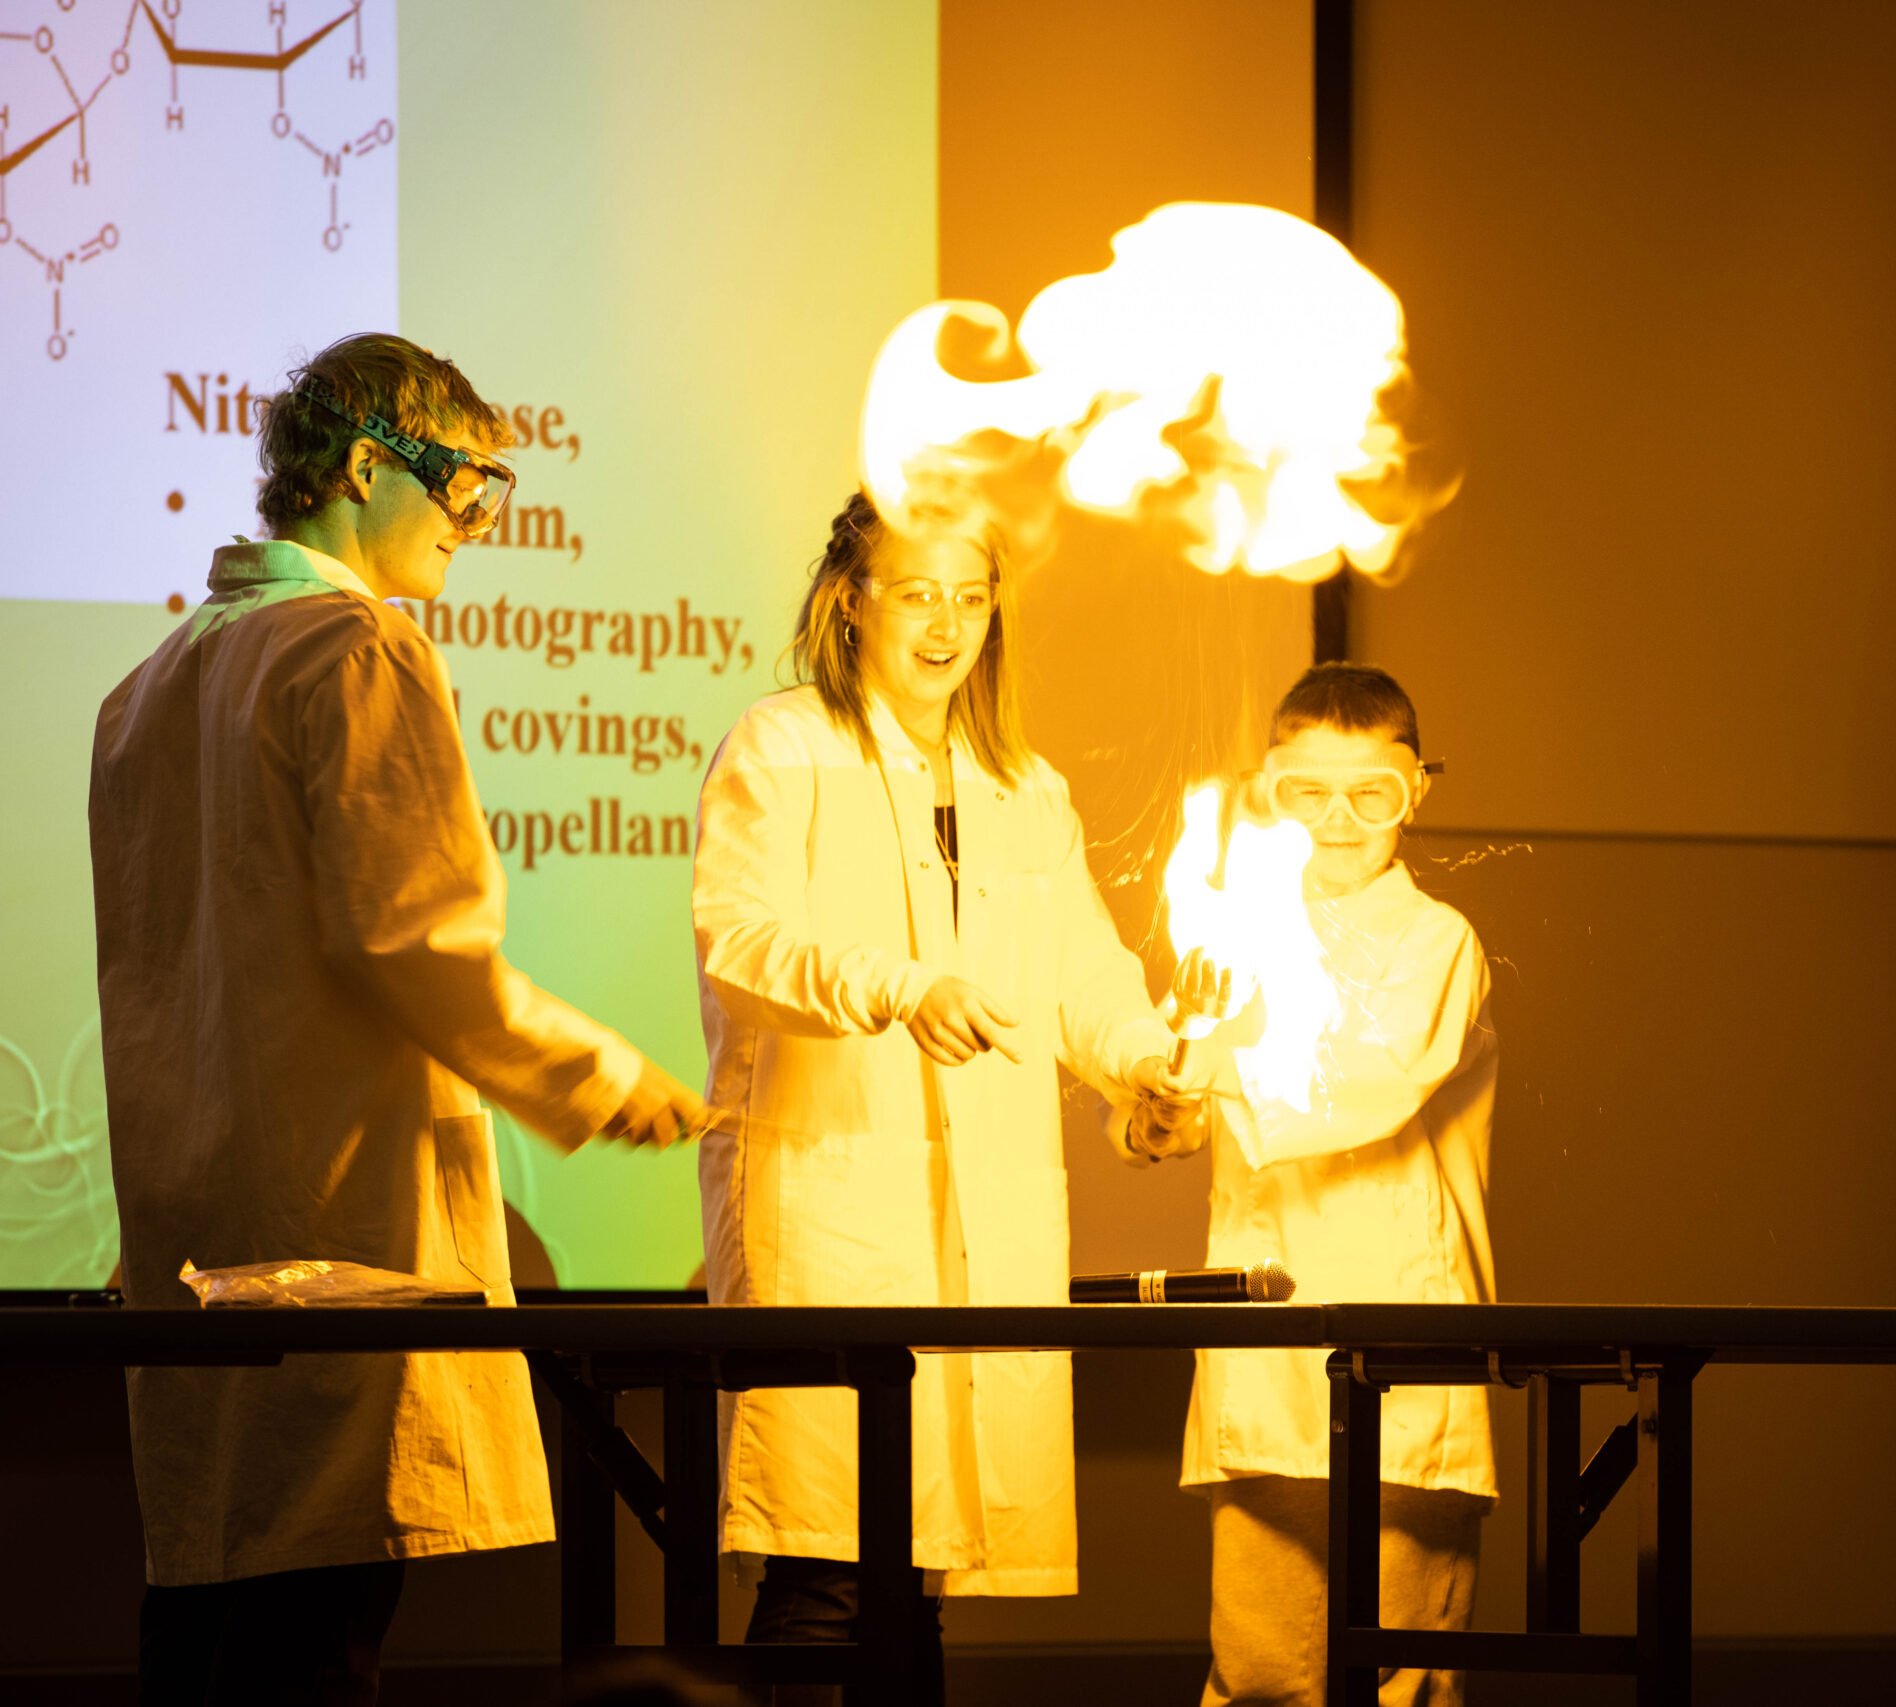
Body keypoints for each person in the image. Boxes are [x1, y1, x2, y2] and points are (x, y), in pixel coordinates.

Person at [90, 331, 708, 1705]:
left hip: (195, 1234)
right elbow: (414, 935)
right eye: (466, 489)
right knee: (312, 1640)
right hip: (335, 1229)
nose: (478, 528)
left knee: (205, 1630)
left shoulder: (140, 692)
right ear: (365, 466)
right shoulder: (357, 646)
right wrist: (600, 1077)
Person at [690, 489, 1201, 1696]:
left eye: (970, 597)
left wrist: (1144, 1066)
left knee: (917, 1569)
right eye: (918, 593)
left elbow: (1084, 973)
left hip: (979, 1222)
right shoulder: (782, 745)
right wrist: (898, 985)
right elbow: (740, 943)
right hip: (833, 1208)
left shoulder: (1026, 786)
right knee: (826, 1566)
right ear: (849, 599)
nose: (946, 624)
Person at [1132, 662, 1498, 1707]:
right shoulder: (1230, 939)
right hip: (1262, 1372)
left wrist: (1207, 1069)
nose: (1339, 821)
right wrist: (1162, 1099)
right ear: (1268, 791)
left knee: (1401, 1684)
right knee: (1258, 1677)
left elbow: (1358, 1088)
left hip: (1401, 1354)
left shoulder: (1436, 943)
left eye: (1369, 794)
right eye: (1309, 794)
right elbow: (1170, 1107)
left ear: (1414, 790)